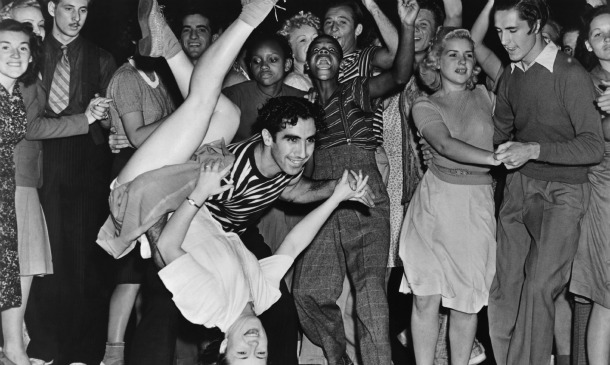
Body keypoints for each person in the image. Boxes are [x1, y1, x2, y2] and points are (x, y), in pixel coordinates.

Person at [97, 1, 375, 364]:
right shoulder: (259, 297)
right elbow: (291, 246)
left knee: (204, 106)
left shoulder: (207, 310)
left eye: (244, 353)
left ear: (225, 349)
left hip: (141, 201)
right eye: (260, 354)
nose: (255, 344)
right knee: (225, 112)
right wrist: (336, 197)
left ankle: (249, 18)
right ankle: (168, 46)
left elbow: (167, 246)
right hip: (175, 191)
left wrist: (198, 196)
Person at [291, 1, 417, 363]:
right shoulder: (302, 106)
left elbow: (399, 75)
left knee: (370, 292)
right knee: (306, 291)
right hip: (325, 196)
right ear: (307, 63)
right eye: (317, 51)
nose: (325, 54)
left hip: (364, 190)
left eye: (332, 49)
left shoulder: (357, 89)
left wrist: (406, 27)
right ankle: (339, 356)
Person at [489, 1, 604, 365]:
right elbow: (498, 132)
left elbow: (592, 146)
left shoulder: (569, 74)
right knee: (506, 288)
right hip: (520, 186)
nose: (504, 40)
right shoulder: (511, 75)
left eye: (512, 30)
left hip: (565, 192)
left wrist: (533, 149)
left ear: (535, 25)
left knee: (540, 286)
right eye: (499, 32)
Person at [24, 0, 117, 363]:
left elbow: (112, 122)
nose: (76, 18)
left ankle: (82, 351)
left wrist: (110, 122)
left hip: (86, 160)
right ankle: (44, 347)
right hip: (41, 155)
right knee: (45, 256)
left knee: (84, 258)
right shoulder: (29, 50)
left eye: (83, 9)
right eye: (68, 8)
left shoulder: (102, 58)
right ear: (51, 8)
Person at [400, 27, 498, 365]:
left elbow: (507, 72)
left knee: (466, 302)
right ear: (436, 61)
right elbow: (443, 144)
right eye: (452, 54)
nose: (461, 61)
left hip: (474, 204)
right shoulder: (424, 104)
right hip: (434, 203)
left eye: (468, 55)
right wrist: (495, 158)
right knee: (425, 297)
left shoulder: (488, 96)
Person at [101, 22, 177, 365]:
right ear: (133, 40)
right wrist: (183, 119)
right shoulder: (125, 78)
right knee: (129, 273)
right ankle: (113, 353)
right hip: (131, 174)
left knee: (154, 273)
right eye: (148, 40)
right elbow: (135, 135)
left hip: (158, 175)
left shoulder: (161, 77)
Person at [569, 6, 610, 365]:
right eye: (598, 34)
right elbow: (597, 136)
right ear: (588, 43)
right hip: (605, 194)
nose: (607, 39)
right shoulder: (586, 82)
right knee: (605, 296)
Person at [0, 18, 42, 365]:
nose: (15, 54)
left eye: (22, 47)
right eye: (5, 47)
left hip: (6, 193)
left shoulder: (12, 94)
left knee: (9, 272)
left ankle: (14, 350)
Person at [222, 32, 304, 143]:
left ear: (287, 64)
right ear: (250, 66)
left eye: (273, 60)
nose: (264, 66)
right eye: (257, 61)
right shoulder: (234, 96)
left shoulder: (300, 98)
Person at [278, 11, 320, 92]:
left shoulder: (314, 79)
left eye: (315, 38)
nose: (312, 43)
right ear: (291, 50)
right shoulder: (294, 82)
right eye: (303, 40)